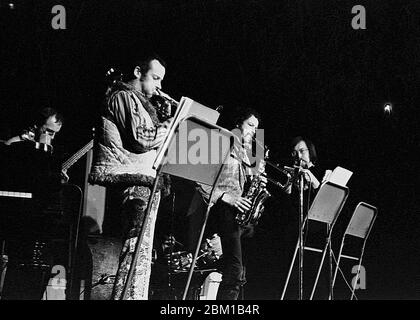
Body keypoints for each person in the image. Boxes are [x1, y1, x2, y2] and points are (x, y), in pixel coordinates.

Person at [88, 54, 172, 300]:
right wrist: (170, 125)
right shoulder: (122, 95)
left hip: (144, 181)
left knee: (142, 253)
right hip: (134, 182)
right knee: (135, 250)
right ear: (137, 72)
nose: (159, 86)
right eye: (155, 78)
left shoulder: (140, 102)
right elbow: (141, 138)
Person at [191, 108, 265, 300]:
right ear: (238, 123)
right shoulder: (221, 143)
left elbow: (244, 185)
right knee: (235, 269)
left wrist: (257, 178)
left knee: (238, 271)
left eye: (256, 128)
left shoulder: (246, 153)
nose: (253, 132)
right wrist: (226, 197)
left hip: (237, 215)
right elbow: (199, 180)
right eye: (250, 125)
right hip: (220, 210)